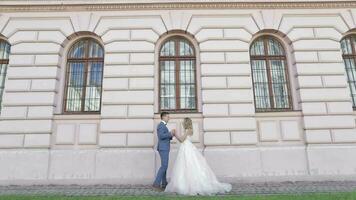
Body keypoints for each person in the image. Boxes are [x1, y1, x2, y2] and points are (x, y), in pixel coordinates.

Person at [164, 117, 232, 195]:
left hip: (187, 149)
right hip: (186, 148)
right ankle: (185, 183)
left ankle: (188, 185)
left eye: (183, 122)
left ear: (186, 123)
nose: (182, 123)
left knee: (188, 165)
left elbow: (182, 140)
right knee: (185, 166)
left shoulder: (188, 130)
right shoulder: (189, 130)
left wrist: (175, 134)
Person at [152, 111, 175, 191]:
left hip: (164, 147)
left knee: (164, 166)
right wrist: (170, 133)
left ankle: (164, 184)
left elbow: (165, 135)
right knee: (164, 166)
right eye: (168, 117)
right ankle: (156, 184)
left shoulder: (163, 125)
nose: (169, 118)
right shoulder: (161, 125)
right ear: (163, 117)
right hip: (163, 148)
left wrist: (171, 134)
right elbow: (161, 136)